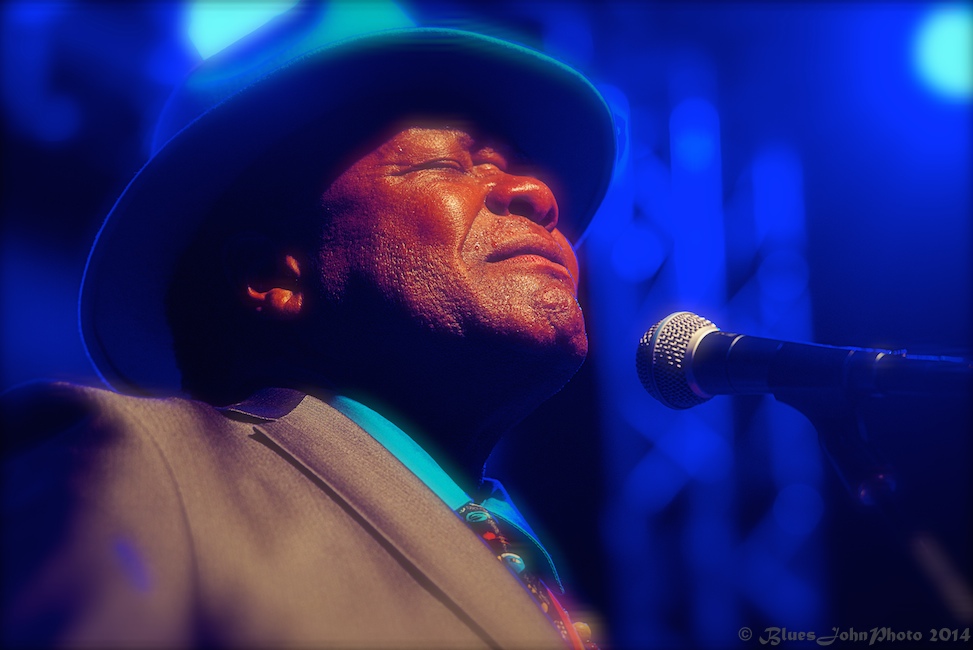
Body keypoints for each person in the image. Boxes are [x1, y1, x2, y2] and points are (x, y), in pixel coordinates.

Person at [1, 6, 615, 649]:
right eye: (450, 165)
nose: (539, 195)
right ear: (272, 274)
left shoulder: (533, 568)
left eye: (521, 168)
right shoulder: (140, 465)